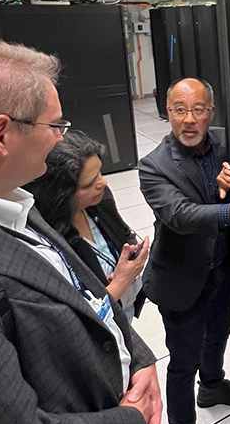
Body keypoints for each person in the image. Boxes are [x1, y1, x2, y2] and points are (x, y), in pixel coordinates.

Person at [0, 38, 162, 424]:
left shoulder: (8, 197)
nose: (59, 138)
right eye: (55, 125)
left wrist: (138, 355)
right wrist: (132, 422)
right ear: (1, 135)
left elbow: (81, 290)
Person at [139, 77, 230, 424]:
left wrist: (228, 185)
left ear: (210, 112)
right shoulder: (153, 166)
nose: (188, 119)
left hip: (219, 267)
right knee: (183, 360)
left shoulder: (223, 140)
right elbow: (181, 215)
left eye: (198, 110)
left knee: (218, 332)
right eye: (179, 110)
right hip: (180, 279)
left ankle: (213, 386)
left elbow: (229, 184)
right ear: (167, 112)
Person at [24, 131, 150, 323]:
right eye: (89, 184)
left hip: (124, 310)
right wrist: (119, 283)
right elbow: (72, 317)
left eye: (100, 172)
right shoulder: (45, 239)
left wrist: (131, 252)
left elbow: (121, 231)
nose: (103, 183)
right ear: (61, 195)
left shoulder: (100, 199)